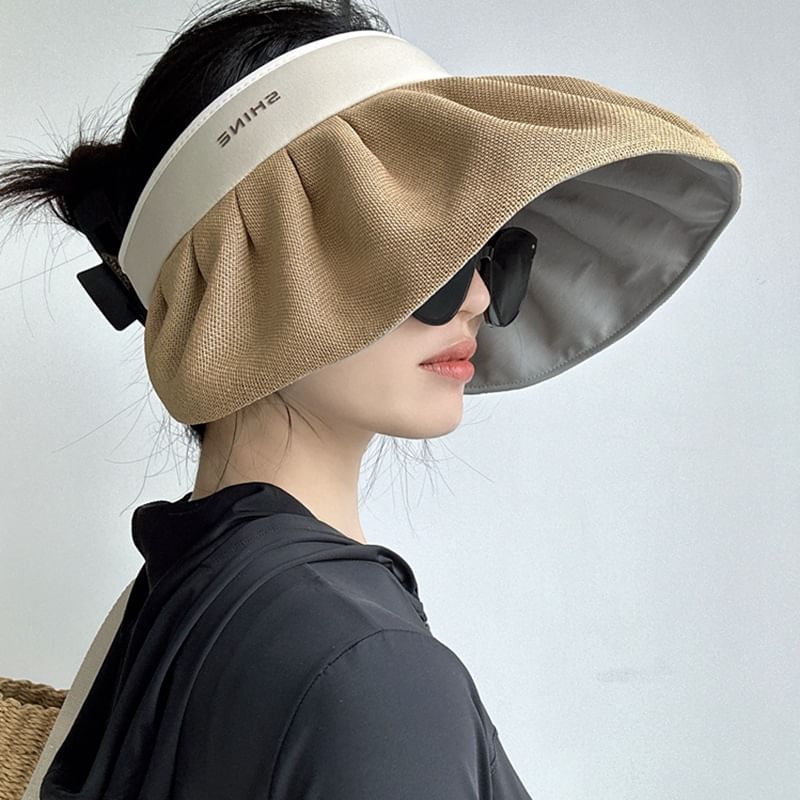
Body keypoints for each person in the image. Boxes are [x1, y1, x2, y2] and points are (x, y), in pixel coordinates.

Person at [0, 0, 742, 798]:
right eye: (428, 252)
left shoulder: (180, 594)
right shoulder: (366, 671)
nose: (478, 298)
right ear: (256, 273)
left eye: (488, 252)